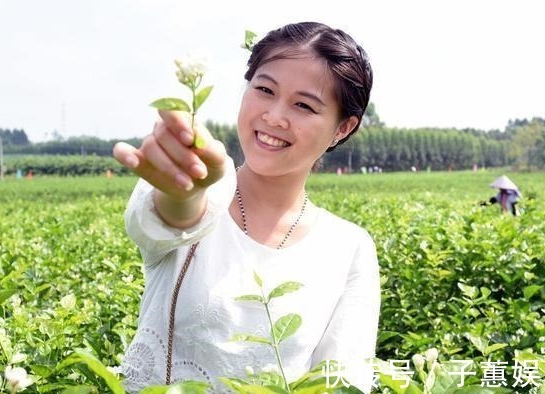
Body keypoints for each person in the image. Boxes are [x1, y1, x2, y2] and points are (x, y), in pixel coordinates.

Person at [113, 22, 380, 393]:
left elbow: (343, 380)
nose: (274, 116)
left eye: (303, 105)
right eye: (265, 90)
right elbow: (173, 216)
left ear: (342, 128)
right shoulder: (206, 191)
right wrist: (185, 189)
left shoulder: (349, 248)